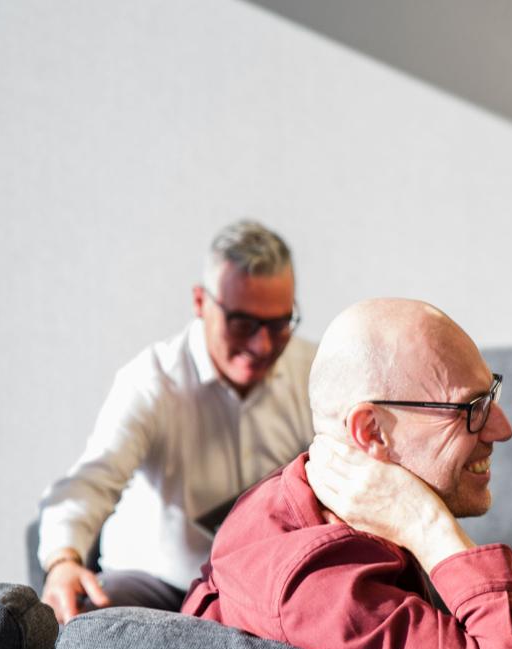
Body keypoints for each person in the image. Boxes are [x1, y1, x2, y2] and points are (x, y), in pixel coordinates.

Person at [180, 298, 512, 649]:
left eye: (491, 393)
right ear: (372, 431)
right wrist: (429, 527)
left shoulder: (293, 493)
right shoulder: (322, 582)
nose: (502, 428)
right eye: (471, 408)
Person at [36, 220, 315, 624]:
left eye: (278, 324)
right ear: (201, 302)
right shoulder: (151, 380)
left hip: (266, 590)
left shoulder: (313, 371)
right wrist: (62, 560)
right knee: (91, 618)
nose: (262, 345)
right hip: (158, 585)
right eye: (242, 324)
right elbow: (92, 478)